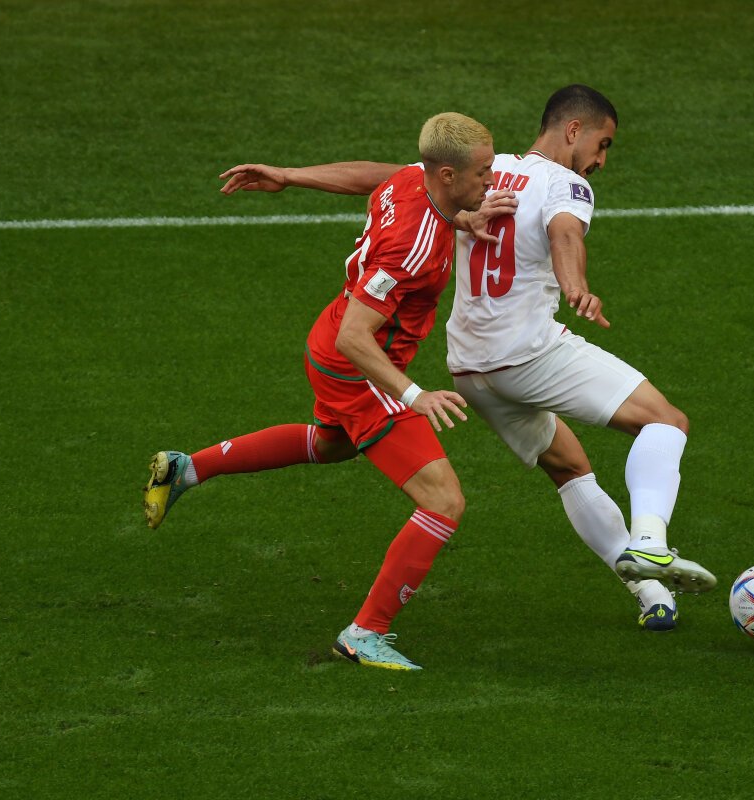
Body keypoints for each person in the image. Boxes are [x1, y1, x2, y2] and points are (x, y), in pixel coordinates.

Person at [218, 85, 716, 634]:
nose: (600, 160)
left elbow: (382, 175)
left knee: (569, 467)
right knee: (666, 422)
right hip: (528, 355)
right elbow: (566, 234)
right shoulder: (565, 183)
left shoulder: (484, 171)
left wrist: (290, 175)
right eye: (602, 144)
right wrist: (576, 286)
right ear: (574, 130)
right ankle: (649, 543)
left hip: (470, 371)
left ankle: (651, 594)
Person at [143, 112, 499, 671]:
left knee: (334, 444)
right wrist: (415, 396)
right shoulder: (410, 245)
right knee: (444, 500)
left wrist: (289, 175)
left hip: (328, 343)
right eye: (483, 171)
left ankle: (187, 469)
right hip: (358, 366)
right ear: (447, 175)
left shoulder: (414, 180)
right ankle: (364, 634)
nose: (492, 179)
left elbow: (373, 176)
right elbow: (358, 337)